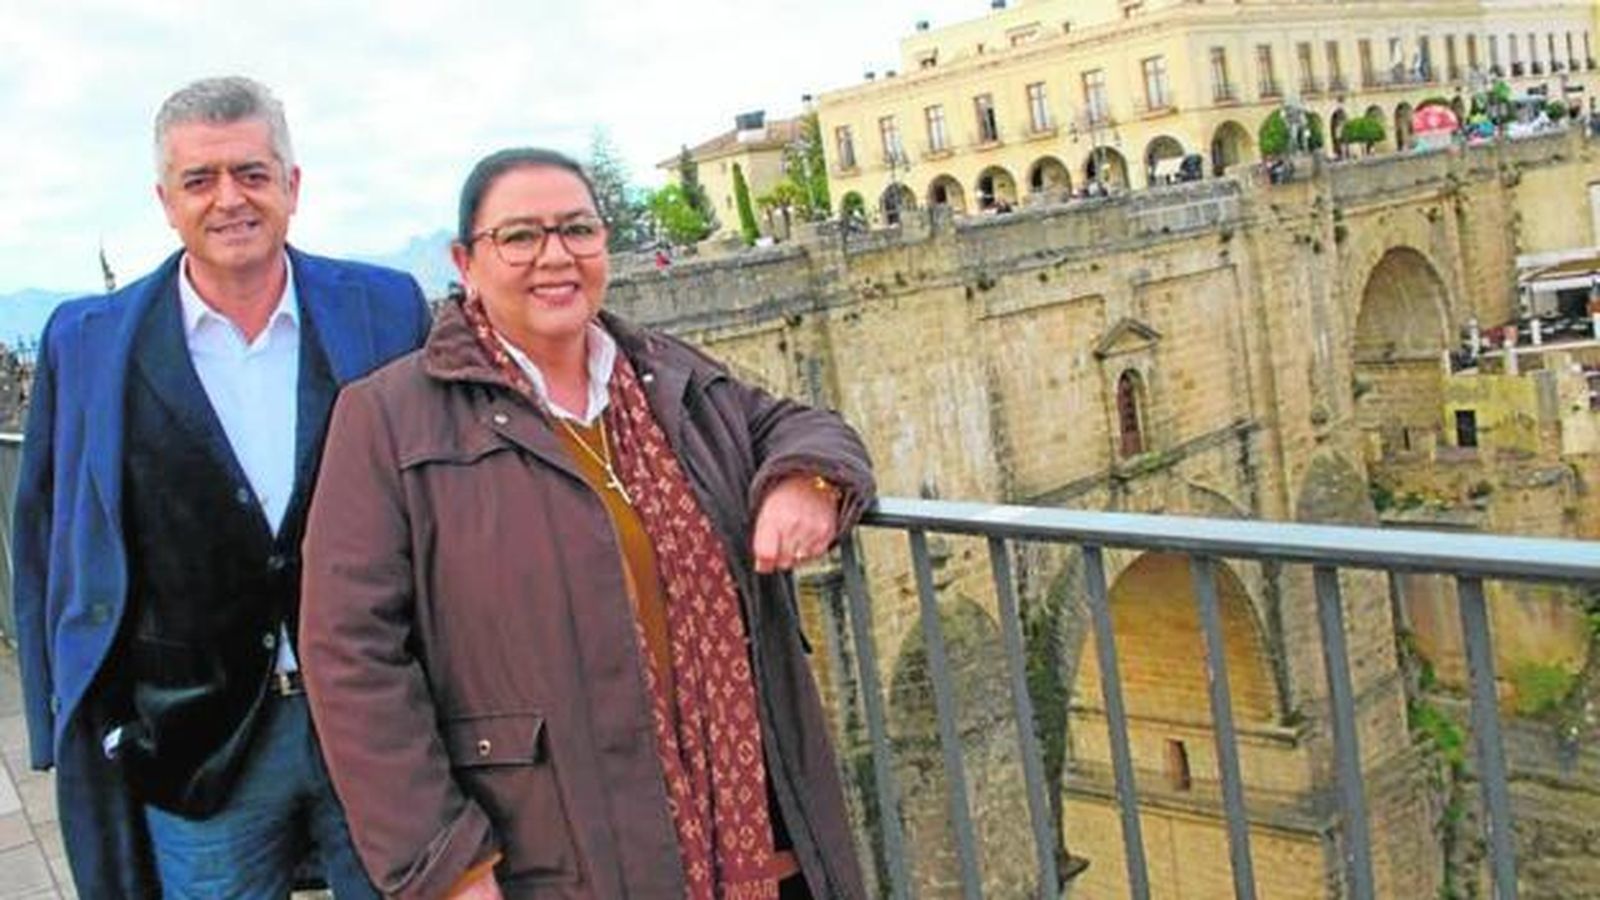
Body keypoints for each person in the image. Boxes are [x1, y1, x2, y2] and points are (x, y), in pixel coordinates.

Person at [299, 147, 876, 900]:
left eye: (577, 230)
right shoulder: (386, 418)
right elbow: (351, 655)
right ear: (466, 262)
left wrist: (807, 481)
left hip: (754, 837)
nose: (555, 257)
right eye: (519, 237)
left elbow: (799, 426)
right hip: (556, 847)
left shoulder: (666, 377)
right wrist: (444, 864)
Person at [11, 76, 432, 898]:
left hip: (379, 723)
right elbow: (47, 534)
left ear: (293, 186)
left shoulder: (385, 307)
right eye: (199, 180)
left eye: (251, 173)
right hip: (191, 742)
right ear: (165, 200)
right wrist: (58, 714)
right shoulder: (86, 340)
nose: (228, 199)